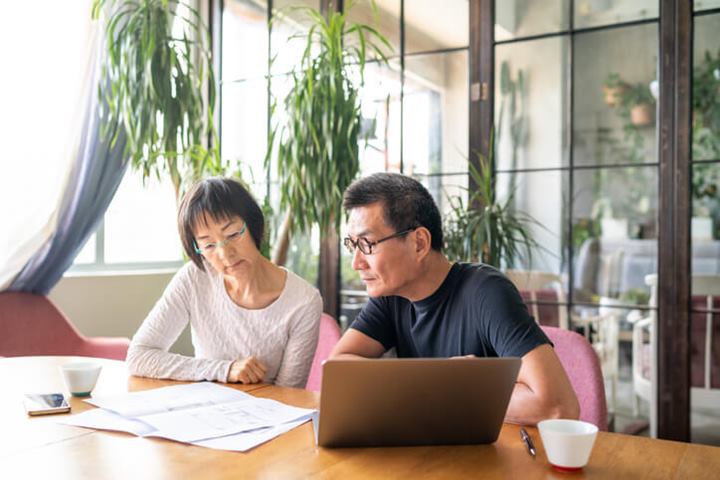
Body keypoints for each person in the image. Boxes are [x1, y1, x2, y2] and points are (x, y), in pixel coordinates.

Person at [330, 172, 579, 425]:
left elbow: (557, 406)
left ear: (419, 243)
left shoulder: (485, 292)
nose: (356, 263)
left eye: (368, 244)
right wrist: (439, 384)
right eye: (353, 245)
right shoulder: (391, 296)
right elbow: (337, 368)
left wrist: (441, 390)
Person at [127, 177, 322, 388]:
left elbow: (289, 396)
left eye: (233, 234)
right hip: (205, 412)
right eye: (209, 245)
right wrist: (224, 370)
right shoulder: (194, 278)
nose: (225, 254)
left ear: (253, 224)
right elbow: (139, 356)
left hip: (264, 416)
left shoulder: (304, 301)